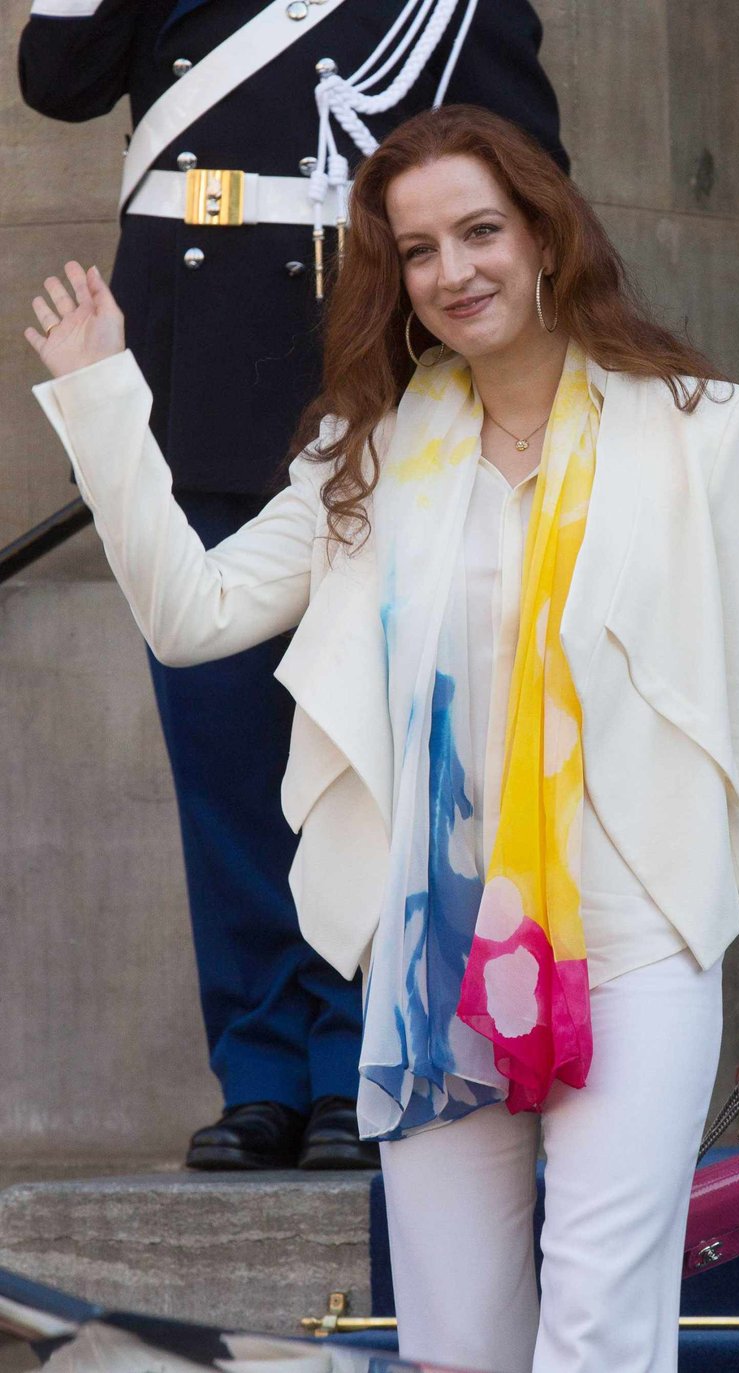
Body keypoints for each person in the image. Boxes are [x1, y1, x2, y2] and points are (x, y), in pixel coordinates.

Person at [25, 104, 739, 1373]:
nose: (454, 271)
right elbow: (193, 616)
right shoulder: (373, 449)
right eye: (417, 250)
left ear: (544, 235)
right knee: (457, 1347)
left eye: (479, 232)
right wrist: (102, 395)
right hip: (433, 955)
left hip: (636, 939)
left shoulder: (700, 426)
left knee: (600, 1335)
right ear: (391, 278)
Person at [19, 0, 567, 1171]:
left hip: (367, 394)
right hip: (196, 385)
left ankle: (350, 1052)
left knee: (358, 755)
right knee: (222, 754)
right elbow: (55, 75)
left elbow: (531, 193)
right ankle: (260, 1064)